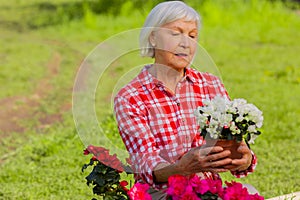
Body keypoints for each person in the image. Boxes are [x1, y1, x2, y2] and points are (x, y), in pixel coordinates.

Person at [114, 1, 257, 199]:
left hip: (208, 189)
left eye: (192, 36)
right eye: (175, 33)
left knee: (251, 192)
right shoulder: (130, 97)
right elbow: (146, 164)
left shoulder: (210, 84)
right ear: (153, 37)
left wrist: (245, 157)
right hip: (161, 193)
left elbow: (230, 144)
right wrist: (181, 168)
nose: (186, 43)